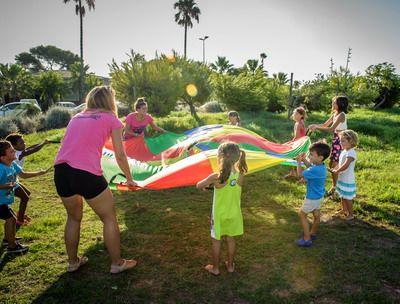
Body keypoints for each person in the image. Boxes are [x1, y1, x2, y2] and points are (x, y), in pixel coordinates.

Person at [54, 85, 137, 274]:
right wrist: (129, 178)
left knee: (73, 218)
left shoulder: (76, 117)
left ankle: (73, 262)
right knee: (109, 218)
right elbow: (120, 155)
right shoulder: (111, 119)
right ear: (110, 101)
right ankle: (117, 263)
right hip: (86, 174)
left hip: (61, 171)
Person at [196, 142, 247, 275]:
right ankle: (230, 266)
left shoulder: (216, 176)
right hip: (234, 213)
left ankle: (216, 268)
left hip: (219, 215)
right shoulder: (241, 174)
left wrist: (207, 184)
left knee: (216, 241)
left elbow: (198, 185)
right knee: (231, 239)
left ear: (221, 157)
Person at [0, 140, 49, 254]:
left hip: (4, 201)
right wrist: (4, 186)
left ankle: (8, 240)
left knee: (11, 218)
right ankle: (12, 247)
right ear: (2, 158)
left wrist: (39, 173)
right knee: (11, 219)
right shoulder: (1, 169)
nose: (14, 153)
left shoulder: (12, 164)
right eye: (11, 152)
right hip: (0, 202)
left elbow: (24, 175)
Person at [5, 133, 51, 225]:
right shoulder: (18, 154)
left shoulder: (17, 152)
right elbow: (33, 150)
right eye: (21, 143)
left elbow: (30, 148)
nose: (24, 144)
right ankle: (19, 220)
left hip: (14, 179)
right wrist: (43, 144)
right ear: (13, 146)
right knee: (24, 197)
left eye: (24, 142)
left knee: (26, 194)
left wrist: (42, 142)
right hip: (9, 182)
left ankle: (19, 216)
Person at [308, 96, 349, 196]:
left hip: (342, 141)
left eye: (334, 103)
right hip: (336, 139)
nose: (332, 104)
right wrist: (315, 125)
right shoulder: (335, 114)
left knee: (334, 164)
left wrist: (317, 127)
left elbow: (331, 129)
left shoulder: (342, 115)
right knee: (332, 163)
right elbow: (325, 124)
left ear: (340, 104)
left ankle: (336, 188)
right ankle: (336, 186)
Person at [295, 141, 331, 247]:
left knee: (302, 214)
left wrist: (299, 162)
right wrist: (305, 160)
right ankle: (313, 233)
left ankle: (307, 239)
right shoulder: (321, 167)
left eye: (311, 155)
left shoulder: (315, 169)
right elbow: (310, 167)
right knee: (316, 214)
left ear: (320, 157)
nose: (309, 156)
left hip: (312, 198)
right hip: (319, 196)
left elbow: (300, 174)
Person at [330, 130, 358, 220]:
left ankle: (351, 214)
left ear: (351, 141)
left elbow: (346, 165)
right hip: (342, 178)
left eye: (343, 141)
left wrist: (337, 171)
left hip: (348, 179)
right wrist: (335, 169)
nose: (340, 143)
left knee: (348, 197)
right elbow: (340, 163)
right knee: (342, 194)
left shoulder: (351, 153)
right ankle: (344, 209)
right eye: (340, 140)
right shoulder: (344, 151)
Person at [285, 107, 307, 178]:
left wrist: (290, 143)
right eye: (294, 113)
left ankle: (302, 177)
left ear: (301, 115)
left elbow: (297, 137)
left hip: (299, 144)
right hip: (301, 143)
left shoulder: (298, 124)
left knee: (297, 159)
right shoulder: (300, 122)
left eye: (296, 113)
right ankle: (293, 173)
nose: (294, 114)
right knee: (296, 159)